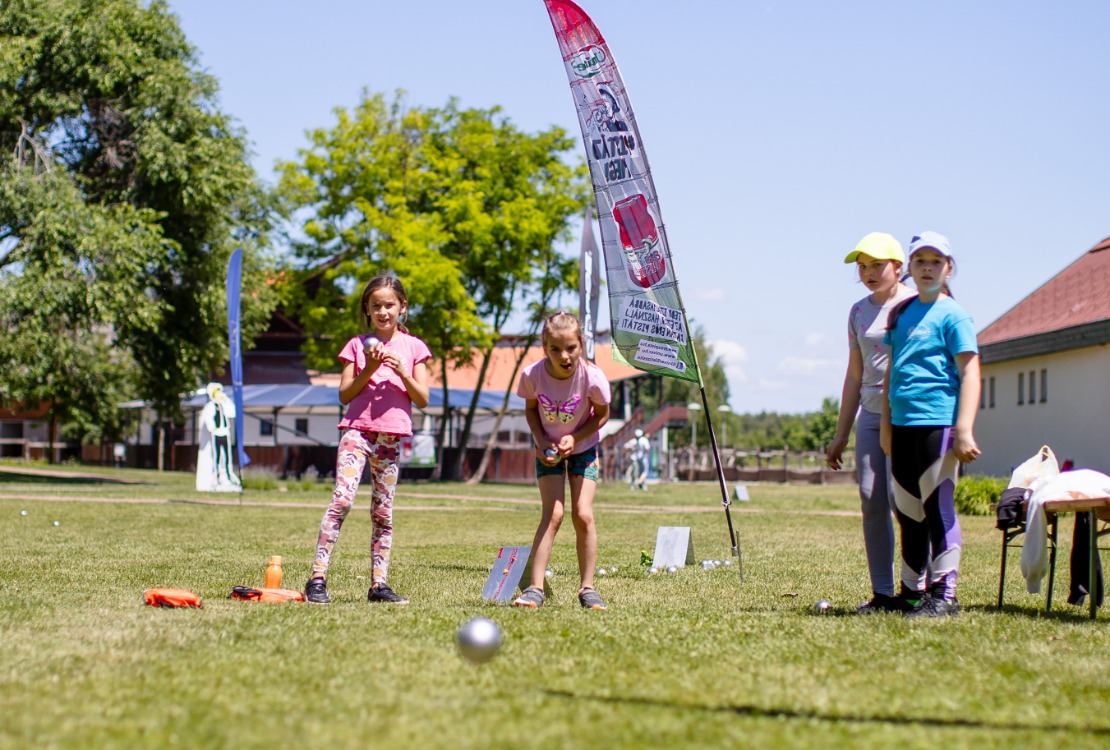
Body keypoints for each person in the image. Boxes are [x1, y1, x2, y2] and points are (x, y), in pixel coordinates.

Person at [303, 276, 431, 605]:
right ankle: (317, 578)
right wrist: (369, 368)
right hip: (357, 432)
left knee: (383, 513)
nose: (383, 311)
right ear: (367, 310)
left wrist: (403, 372)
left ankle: (379, 585)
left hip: (390, 438)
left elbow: (423, 398)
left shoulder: (414, 347)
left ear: (402, 307)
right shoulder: (357, 345)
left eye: (389, 305)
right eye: (376, 306)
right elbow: (345, 393)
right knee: (342, 501)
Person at [881, 231, 981, 618]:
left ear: (948, 269)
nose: (927, 268)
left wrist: (964, 429)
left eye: (935, 261)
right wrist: (887, 426)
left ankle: (944, 595)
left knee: (938, 509)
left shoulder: (954, 315)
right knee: (908, 512)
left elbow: (970, 373)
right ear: (909, 267)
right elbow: (891, 373)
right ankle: (911, 594)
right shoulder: (899, 314)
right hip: (902, 425)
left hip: (938, 424)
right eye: (920, 261)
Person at [826, 232, 915, 614]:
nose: (868, 273)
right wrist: (841, 433)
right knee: (871, 498)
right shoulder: (858, 312)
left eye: (877, 265)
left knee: (904, 501)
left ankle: (917, 589)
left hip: (908, 416)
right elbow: (854, 374)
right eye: (862, 267)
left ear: (898, 266)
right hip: (871, 414)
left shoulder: (916, 305)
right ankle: (882, 593)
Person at [513, 312, 612, 610]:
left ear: (581, 344)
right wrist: (541, 441)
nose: (564, 356)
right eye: (555, 349)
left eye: (571, 348)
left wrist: (576, 437)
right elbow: (531, 410)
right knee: (553, 514)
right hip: (548, 449)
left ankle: (588, 588)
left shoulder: (592, 378)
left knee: (582, 514)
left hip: (584, 448)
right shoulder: (532, 375)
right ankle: (535, 589)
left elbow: (602, 415)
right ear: (544, 348)